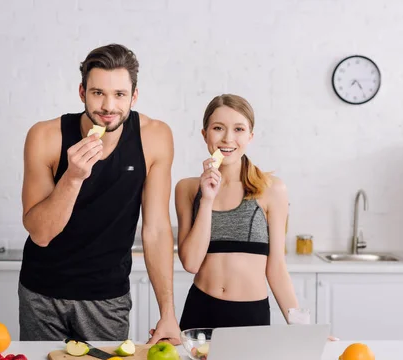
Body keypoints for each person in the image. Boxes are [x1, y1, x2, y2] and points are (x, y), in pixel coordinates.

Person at [18, 43, 180, 344]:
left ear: (134, 96)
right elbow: (40, 233)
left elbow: (156, 230)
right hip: (42, 293)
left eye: (119, 95)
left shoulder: (155, 137)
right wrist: (73, 177)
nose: (108, 106)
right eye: (97, 93)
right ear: (82, 93)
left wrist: (167, 312)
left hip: (107, 298)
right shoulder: (45, 136)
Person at [174, 94, 300, 330]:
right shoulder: (188, 189)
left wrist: (303, 328)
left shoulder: (272, 190)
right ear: (205, 134)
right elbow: (191, 263)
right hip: (199, 312)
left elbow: (277, 269)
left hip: (250, 315)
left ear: (250, 136)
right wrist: (207, 200)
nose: (228, 138)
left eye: (239, 129)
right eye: (218, 128)